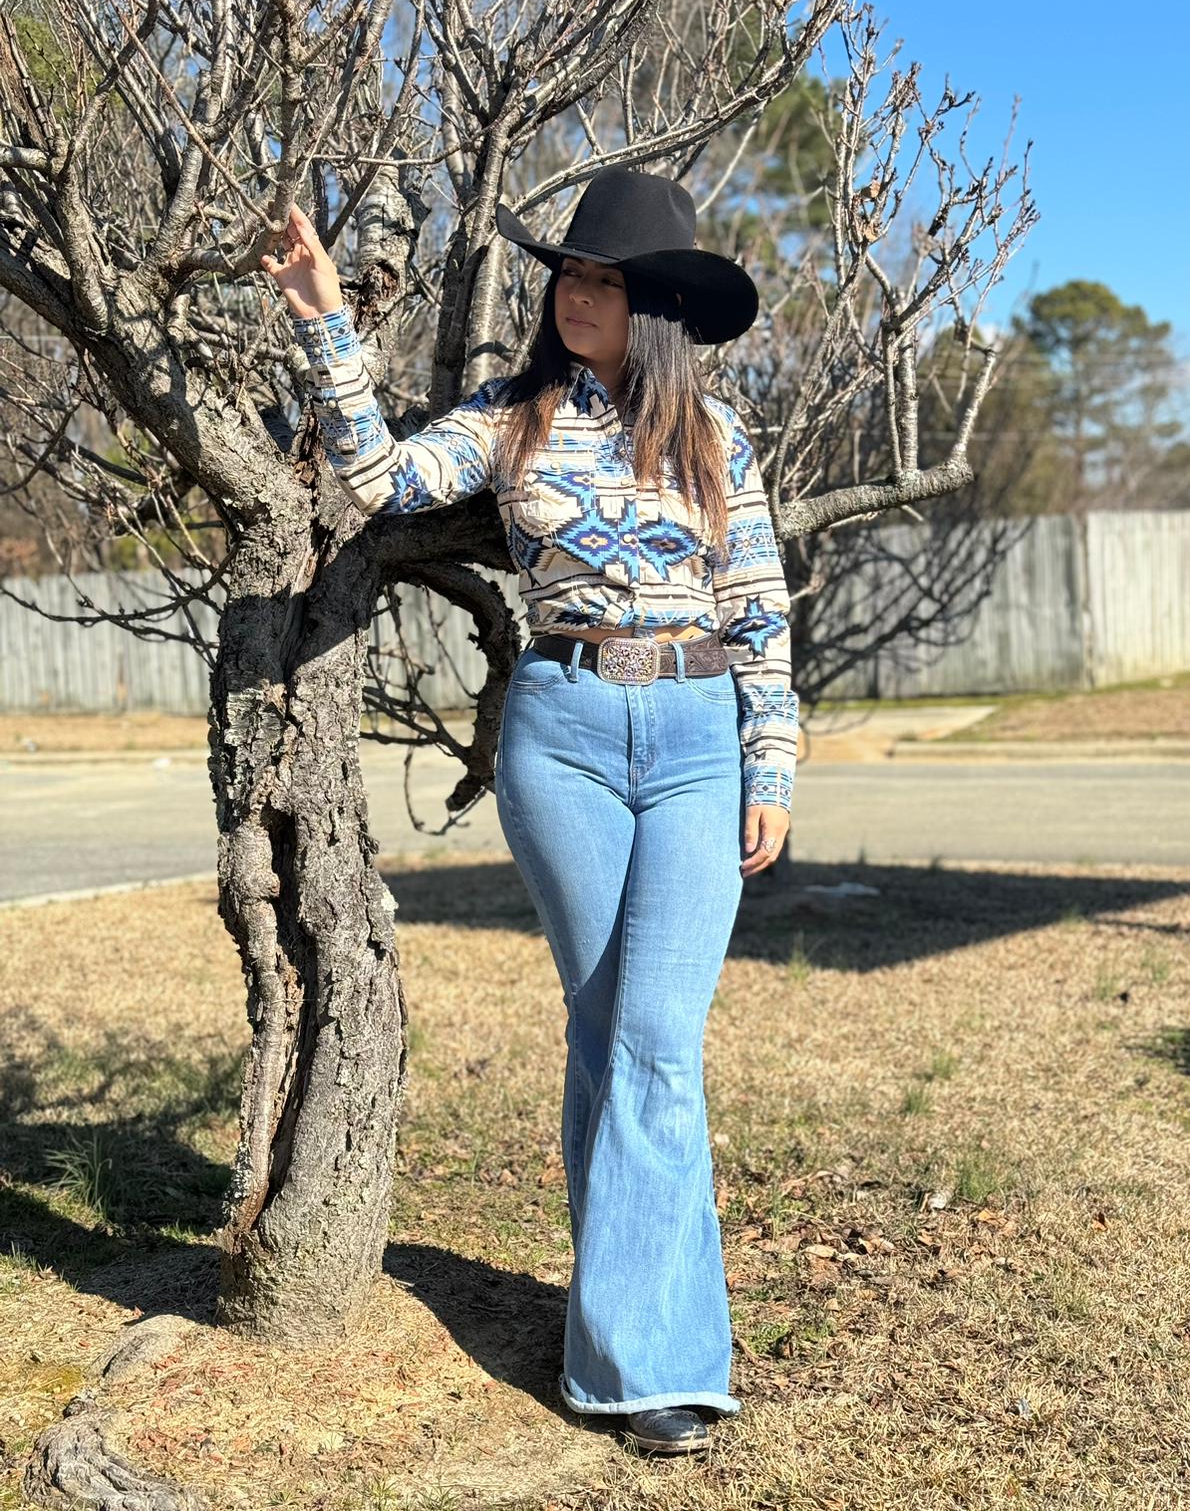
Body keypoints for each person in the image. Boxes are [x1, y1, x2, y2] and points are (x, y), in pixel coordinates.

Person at [259, 167, 801, 1457]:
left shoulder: (721, 438)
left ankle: (643, 1355)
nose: (575, 294)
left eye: (604, 279)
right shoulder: (509, 420)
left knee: (655, 1036)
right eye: (567, 273)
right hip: (558, 729)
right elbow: (381, 480)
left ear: (657, 304)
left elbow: (763, 606)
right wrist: (326, 319)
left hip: (694, 736)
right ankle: (632, 1353)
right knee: (606, 1026)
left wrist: (770, 763)